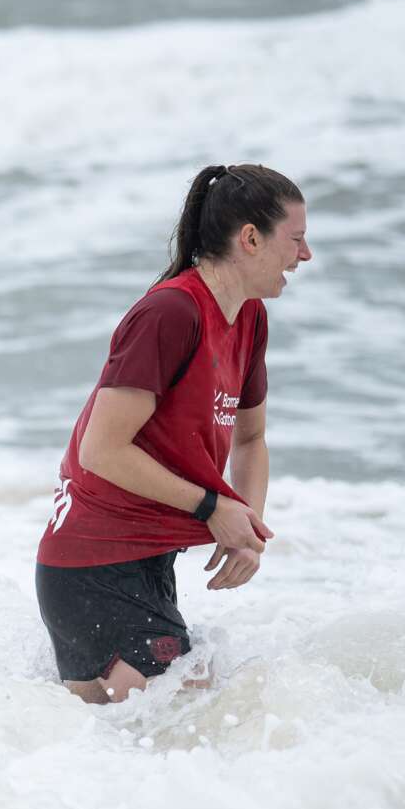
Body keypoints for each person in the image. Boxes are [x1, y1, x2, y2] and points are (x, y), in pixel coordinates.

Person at [36, 164, 309, 704]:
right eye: (296, 239)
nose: (305, 256)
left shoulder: (250, 318)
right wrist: (212, 507)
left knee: (135, 735)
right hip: (93, 562)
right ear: (250, 239)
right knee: (187, 710)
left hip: (145, 561)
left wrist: (247, 527)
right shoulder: (170, 312)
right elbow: (101, 450)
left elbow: (251, 441)